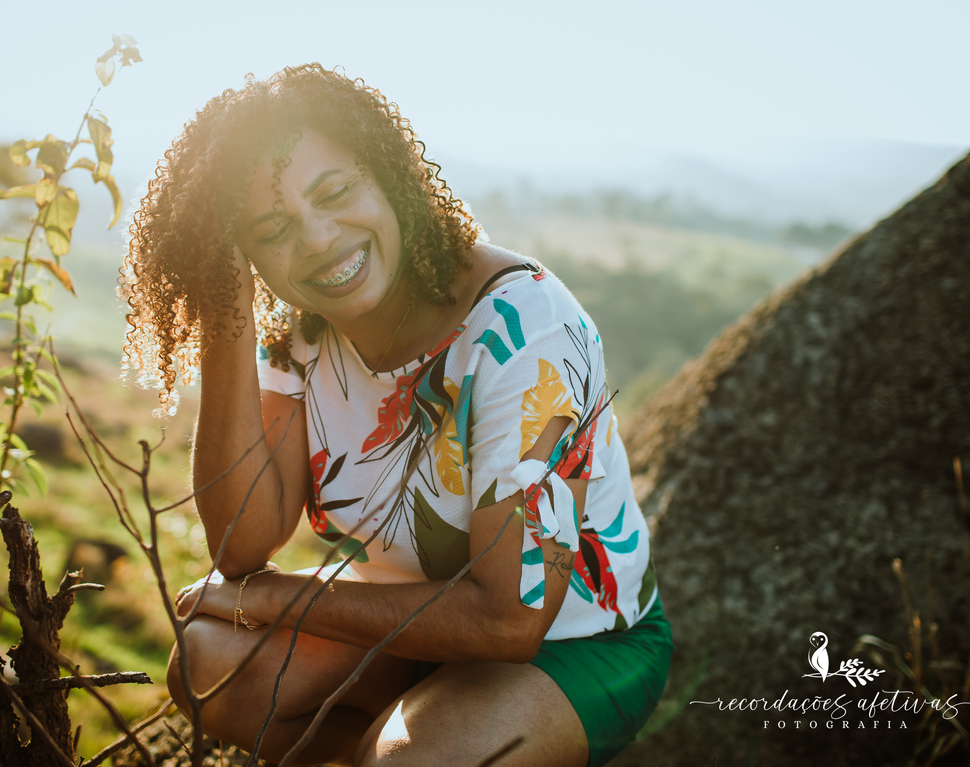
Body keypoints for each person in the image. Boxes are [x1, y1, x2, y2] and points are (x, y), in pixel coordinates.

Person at [120, 64, 672, 767]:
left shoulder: (524, 331)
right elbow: (240, 542)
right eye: (272, 228)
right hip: (411, 626)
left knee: (410, 760)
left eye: (336, 191)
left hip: (574, 644)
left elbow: (510, 622)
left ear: (389, 176)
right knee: (207, 667)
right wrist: (223, 301)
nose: (318, 239)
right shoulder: (297, 331)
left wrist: (282, 601)